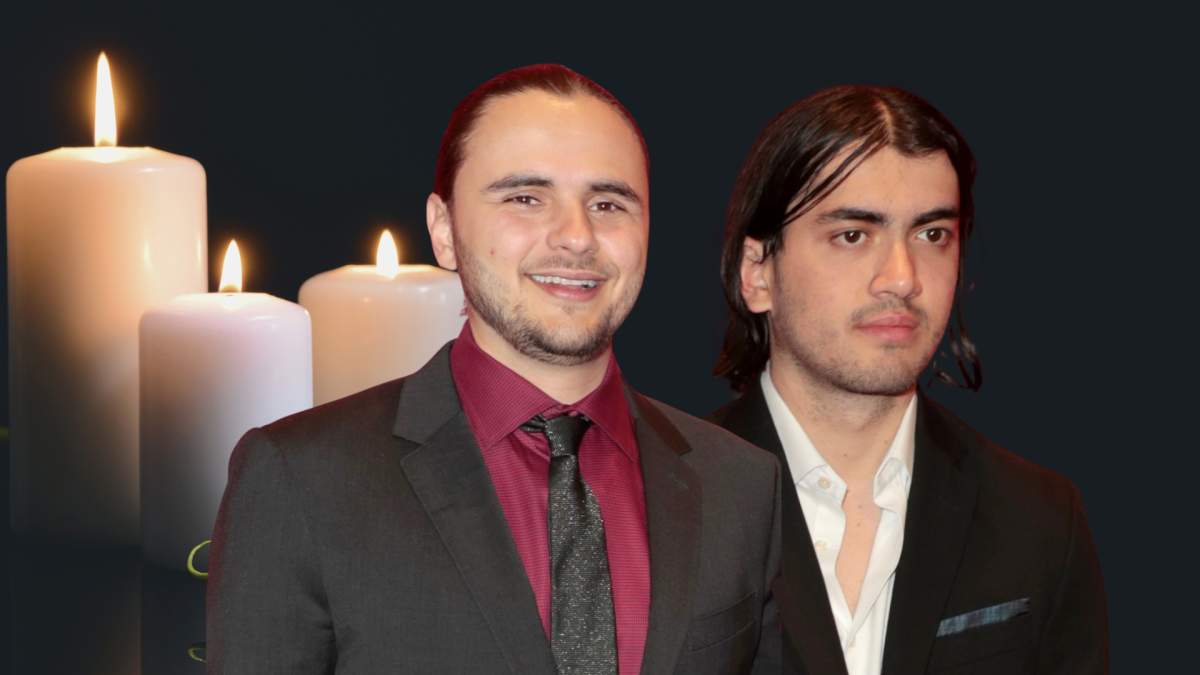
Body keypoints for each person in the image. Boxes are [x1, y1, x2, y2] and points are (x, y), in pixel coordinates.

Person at [207, 64, 781, 675]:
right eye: (525, 198)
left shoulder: (740, 485)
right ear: (444, 230)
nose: (577, 236)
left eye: (608, 203)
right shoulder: (301, 479)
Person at [709, 85, 1108, 675]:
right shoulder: (661, 506)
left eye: (932, 235)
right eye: (853, 235)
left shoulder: (1040, 518)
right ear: (758, 273)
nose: (902, 278)